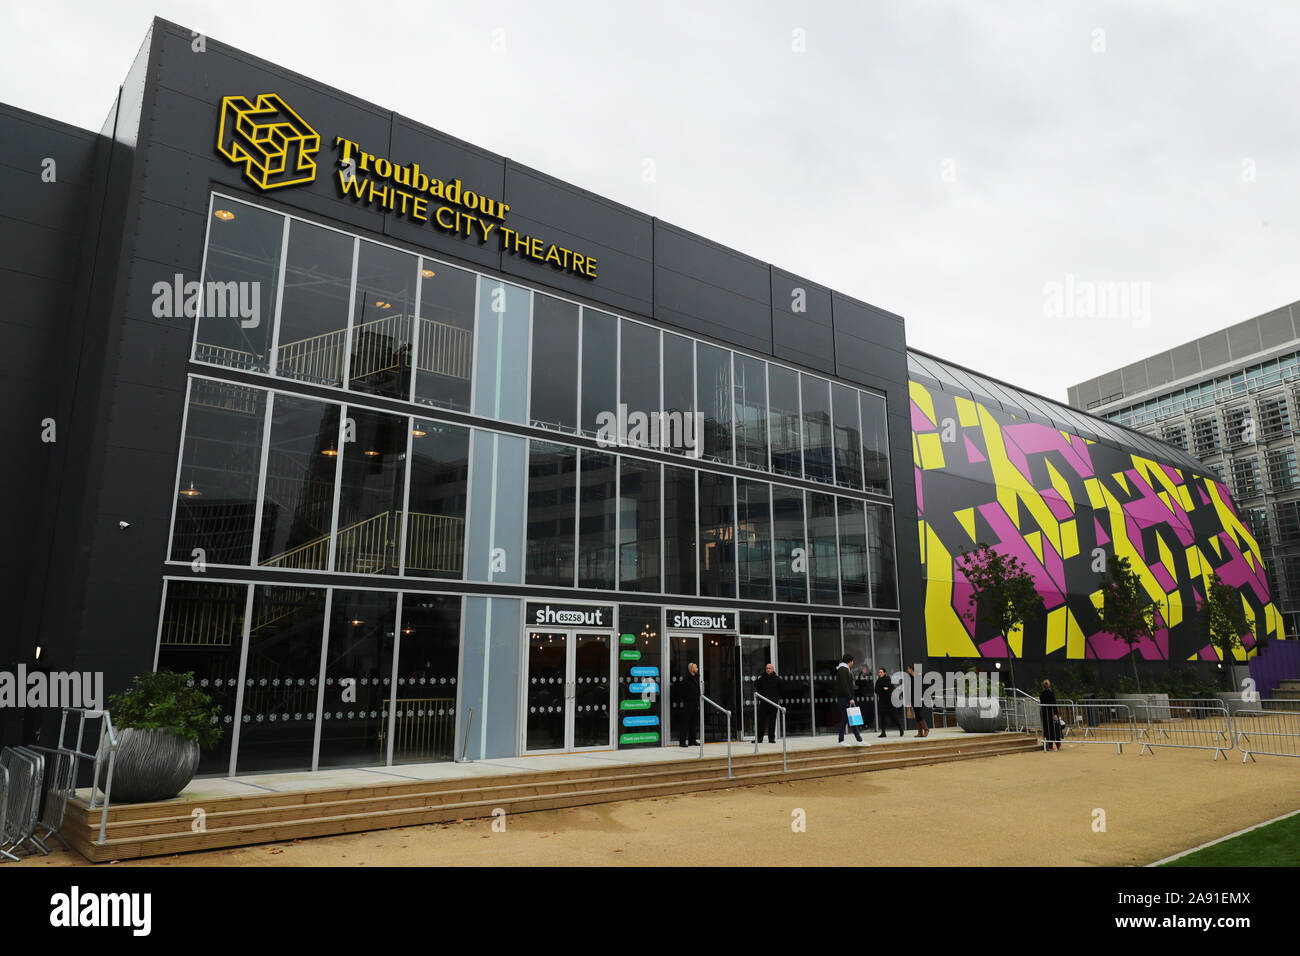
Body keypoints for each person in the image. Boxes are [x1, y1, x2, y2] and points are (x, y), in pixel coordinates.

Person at [835, 654, 866, 746]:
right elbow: (844, 686)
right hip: (844, 698)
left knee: (851, 719)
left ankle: (859, 740)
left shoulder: (845, 669)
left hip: (846, 698)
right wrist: (850, 698)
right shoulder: (842, 670)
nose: (853, 663)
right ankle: (842, 740)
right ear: (849, 661)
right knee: (846, 719)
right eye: (852, 661)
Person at [754, 662, 781, 744]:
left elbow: (781, 690)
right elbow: (756, 686)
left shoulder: (777, 679)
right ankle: (759, 738)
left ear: (773, 669)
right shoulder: (762, 679)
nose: (768, 670)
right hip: (764, 703)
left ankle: (771, 738)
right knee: (761, 721)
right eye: (767, 668)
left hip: (773, 703)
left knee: (772, 721)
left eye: (769, 668)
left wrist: (777, 698)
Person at [875, 667, 906, 737]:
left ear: (884, 673)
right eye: (879, 672)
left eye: (881, 672)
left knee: (892, 716)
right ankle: (883, 732)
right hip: (882, 701)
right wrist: (883, 690)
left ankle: (900, 728)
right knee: (882, 717)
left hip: (888, 701)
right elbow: (876, 689)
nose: (880, 673)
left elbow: (892, 688)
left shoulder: (888, 679)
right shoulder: (878, 680)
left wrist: (886, 689)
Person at [678, 661, 701, 747]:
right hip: (688, 704)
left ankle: (692, 740)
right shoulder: (686, 679)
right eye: (696, 667)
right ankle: (682, 741)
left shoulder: (696, 678)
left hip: (695, 703)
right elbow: (682, 691)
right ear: (691, 669)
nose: (697, 668)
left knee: (693, 723)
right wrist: (686, 700)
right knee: (685, 723)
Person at [906, 664, 932, 738]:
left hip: (920, 698)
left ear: (911, 669)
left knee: (920, 714)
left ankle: (926, 729)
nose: (907, 670)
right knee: (917, 715)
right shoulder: (910, 677)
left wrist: (924, 696)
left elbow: (925, 687)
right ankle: (920, 732)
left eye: (908, 668)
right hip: (913, 698)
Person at [1041, 679, 1061, 751]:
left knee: (1048, 730)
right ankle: (1058, 744)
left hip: (1045, 714)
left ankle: (1050, 746)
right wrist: (1055, 714)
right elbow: (1054, 704)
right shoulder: (1051, 693)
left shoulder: (1042, 694)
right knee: (1055, 729)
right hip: (1052, 713)